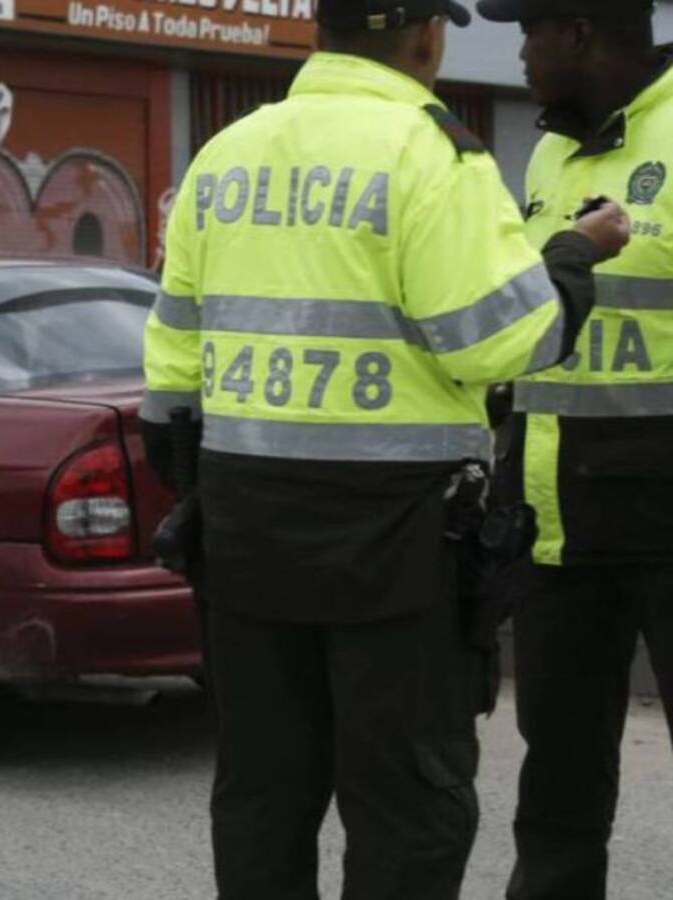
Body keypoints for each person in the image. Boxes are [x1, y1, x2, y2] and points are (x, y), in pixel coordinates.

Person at [140, 0, 633, 895]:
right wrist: (570, 255)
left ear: (319, 31)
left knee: (261, 799)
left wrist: (210, 492)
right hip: (397, 549)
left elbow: (172, 364)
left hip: (245, 538)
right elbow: (500, 340)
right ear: (427, 36)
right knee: (407, 812)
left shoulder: (228, 152)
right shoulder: (433, 154)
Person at [474, 2, 673, 897]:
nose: (520, 51)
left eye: (532, 31)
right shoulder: (549, 152)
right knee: (556, 791)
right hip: (555, 527)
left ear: (582, 33)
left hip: (665, 526)